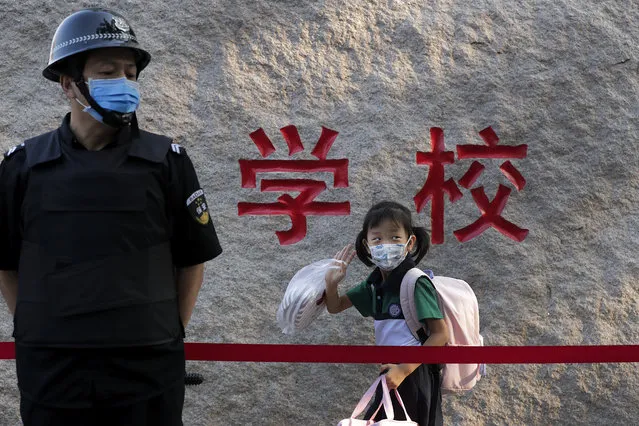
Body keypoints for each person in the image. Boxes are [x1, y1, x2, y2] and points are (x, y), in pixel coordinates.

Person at [0, 8, 222, 426]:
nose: (123, 83)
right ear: (69, 84)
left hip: (147, 376)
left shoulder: (166, 161)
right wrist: (40, 325)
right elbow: (6, 263)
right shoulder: (24, 166)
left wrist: (164, 331)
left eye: (130, 73)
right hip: (53, 377)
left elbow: (192, 261)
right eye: (107, 71)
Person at [324, 201, 448, 426]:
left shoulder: (415, 281)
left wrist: (404, 369)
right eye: (378, 239)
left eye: (394, 238)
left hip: (414, 374)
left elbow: (440, 334)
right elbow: (335, 306)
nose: (386, 244)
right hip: (391, 372)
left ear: (410, 243)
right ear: (367, 245)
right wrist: (331, 284)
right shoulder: (373, 285)